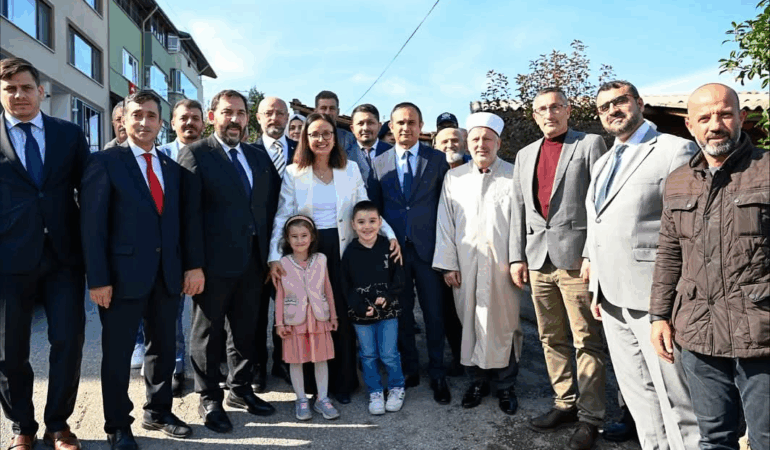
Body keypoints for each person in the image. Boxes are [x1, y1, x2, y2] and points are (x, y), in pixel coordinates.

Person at [650, 83, 769, 450]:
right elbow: (669, 252)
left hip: (762, 332)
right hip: (699, 331)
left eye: (724, 114)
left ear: (741, 117)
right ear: (690, 125)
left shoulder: (766, 170)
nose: (715, 125)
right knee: (715, 438)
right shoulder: (679, 181)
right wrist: (659, 315)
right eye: (704, 118)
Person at [585, 80, 699, 450]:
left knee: (676, 399)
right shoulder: (603, 163)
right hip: (611, 298)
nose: (612, 111)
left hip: (655, 299)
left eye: (620, 101)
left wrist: (670, 303)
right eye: (604, 107)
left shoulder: (674, 150)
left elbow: (688, 231)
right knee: (638, 395)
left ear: (639, 102)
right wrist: (596, 285)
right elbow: (598, 223)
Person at [81, 90, 199, 449]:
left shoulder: (173, 169)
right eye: (137, 115)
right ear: (124, 119)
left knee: (162, 348)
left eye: (151, 116)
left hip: (167, 275)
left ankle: (159, 411)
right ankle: (118, 424)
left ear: (161, 123)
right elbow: (92, 226)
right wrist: (98, 279)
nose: (144, 122)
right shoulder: (104, 162)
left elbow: (183, 224)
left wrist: (190, 267)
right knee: (118, 356)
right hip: (120, 279)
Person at [268, 112, 401, 405]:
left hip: (343, 250)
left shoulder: (349, 169)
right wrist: (274, 256)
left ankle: (343, 382)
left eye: (326, 133)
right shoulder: (293, 172)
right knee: (312, 314)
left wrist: (389, 234)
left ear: (335, 137)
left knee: (338, 312)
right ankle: (313, 383)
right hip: (309, 252)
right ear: (306, 138)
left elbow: (365, 206)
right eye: (314, 134)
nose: (321, 139)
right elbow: (283, 215)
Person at [509, 87, 607, 449]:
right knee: (550, 337)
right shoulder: (524, 155)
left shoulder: (590, 144)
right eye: (542, 109)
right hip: (538, 260)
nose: (549, 114)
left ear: (568, 110)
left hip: (576, 260)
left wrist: (592, 253)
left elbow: (600, 203)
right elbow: (518, 209)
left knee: (586, 340)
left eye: (555, 107)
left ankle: (590, 417)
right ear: (534, 116)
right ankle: (564, 403)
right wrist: (516, 256)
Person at [178, 89, 281, 434]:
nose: (235, 119)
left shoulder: (258, 156)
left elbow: (270, 207)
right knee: (208, 334)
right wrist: (192, 266)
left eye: (240, 113)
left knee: (246, 330)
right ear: (212, 117)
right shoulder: (195, 154)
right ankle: (209, 397)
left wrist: (272, 255)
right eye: (227, 112)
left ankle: (240, 388)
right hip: (211, 266)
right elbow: (188, 217)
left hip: (254, 262)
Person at [0, 57, 89, 450]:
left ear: (41, 91)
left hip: (63, 259)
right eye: (10, 89)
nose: (19, 95)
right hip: (8, 261)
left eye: (26, 87)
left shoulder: (69, 135)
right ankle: (22, 425)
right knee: (9, 352)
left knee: (68, 342)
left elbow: (90, 192)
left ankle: (58, 424)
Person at [433, 112, 525, 416]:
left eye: (487, 138)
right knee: (470, 322)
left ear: (498, 143)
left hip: (503, 266)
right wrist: (448, 264)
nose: (481, 144)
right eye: (475, 139)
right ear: (467, 144)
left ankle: (506, 385)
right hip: (466, 264)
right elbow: (445, 223)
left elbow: (522, 222)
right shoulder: (454, 178)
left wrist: (518, 260)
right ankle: (477, 382)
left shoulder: (515, 175)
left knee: (504, 324)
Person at [369, 102, 451, 405]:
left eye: (412, 122)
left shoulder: (437, 159)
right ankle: (410, 368)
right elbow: (375, 209)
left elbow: (447, 206)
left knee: (434, 313)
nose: (406, 127)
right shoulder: (380, 163)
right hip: (395, 253)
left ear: (420, 126)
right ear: (391, 126)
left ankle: (438, 371)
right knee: (401, 313)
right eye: (400, 122)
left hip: (429, 250)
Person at [150, 98, 206, 397]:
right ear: (171, 123)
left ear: (203, 123)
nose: (189, 123)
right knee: (170, 315)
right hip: (167, 249)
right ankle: (176, 366)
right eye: (183, 117)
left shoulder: (213, 156)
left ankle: (208, 366)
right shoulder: (158, 157)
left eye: (195, 118)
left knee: (208, 314)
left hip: (205, 246)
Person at [251, 96, 298, 392]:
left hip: (295, 245)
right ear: (258, 117)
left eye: (280, 113)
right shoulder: (247, 152)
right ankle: (257, 366)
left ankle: (284, 360)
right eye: (268, 112)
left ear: (287, 117)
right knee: (256, 311)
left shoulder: (302, 150)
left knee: (289, 307)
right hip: (256, 245)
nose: (275, 118)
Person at [341, 201, 407, 415]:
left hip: (388, 311)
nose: (367, 226)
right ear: (353, 225)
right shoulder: (350, 252)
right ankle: (375, 391)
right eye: (361, 222)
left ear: (380, 222)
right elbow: (346, 285)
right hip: (361, 314)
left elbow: (399, 278)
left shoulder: (389, 247)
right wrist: (360, 307)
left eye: (372, 221)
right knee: (368, 354)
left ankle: (396, 387)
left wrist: (387, 296)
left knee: (389, 353)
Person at [274, 215, 340, 421]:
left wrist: (333, 316)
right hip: (294, 320)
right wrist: (279, 322)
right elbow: (280, 295)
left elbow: (328, 288)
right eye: (294, 236)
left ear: (312, 237)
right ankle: (301, 399)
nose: (299, 240)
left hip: (319, 318)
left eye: (304, 235)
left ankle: (322, 398)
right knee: (296, 360)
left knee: (321, 359)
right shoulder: (283, 263)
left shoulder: (321, 260)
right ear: (287, 239)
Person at [314, 90, 366, 180]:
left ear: (338, 111)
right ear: (315, 111)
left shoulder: (349, 139)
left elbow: (361, 170)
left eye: (332, 108)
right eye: (323, 108)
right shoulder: (306, 137)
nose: (328, 112)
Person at [350, 103, 392, 184]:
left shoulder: (393, 153)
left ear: (379, 126)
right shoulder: (343, 156)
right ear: (352, 128)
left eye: (370, 123)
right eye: (360, 123)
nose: (365, 128)